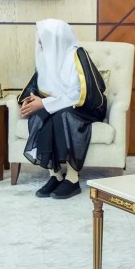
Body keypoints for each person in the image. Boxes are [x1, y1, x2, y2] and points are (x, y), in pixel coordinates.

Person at [18, 19, 107, 200]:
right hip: (59, 104)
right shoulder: (45, 56)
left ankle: (72, 179)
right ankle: (55, 175)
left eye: (43, 37)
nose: (39, 41)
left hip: (86, 106)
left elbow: (78, 95)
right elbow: (38, 86)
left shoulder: (76, 55)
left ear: (55, 38)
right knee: (40, 116)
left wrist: (45, 103)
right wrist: (32, 100)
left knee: (62, 116)